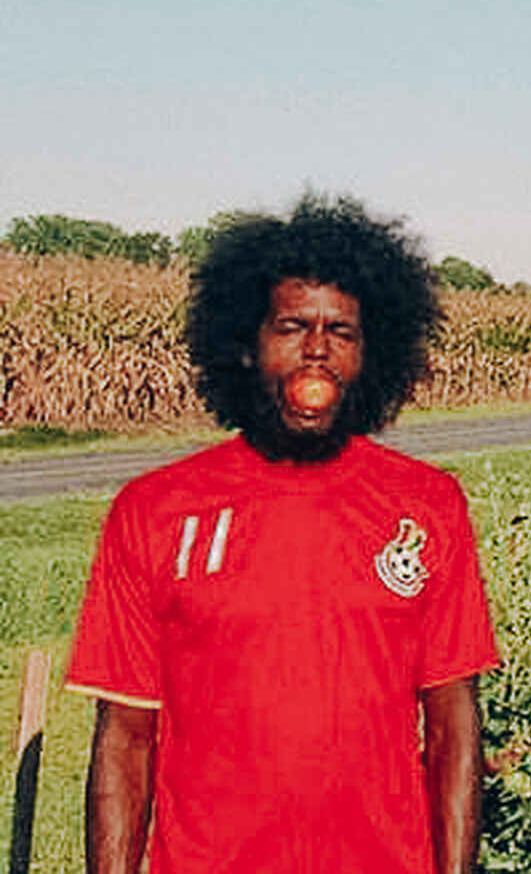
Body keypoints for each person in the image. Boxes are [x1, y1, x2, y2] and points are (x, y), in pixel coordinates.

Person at [66, 195, 499, 874]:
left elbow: (453, 727)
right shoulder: (153, 510)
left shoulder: (427, 505)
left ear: (372, 354)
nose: (317, 350)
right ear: (245, 344)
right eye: (292, 326)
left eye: (341, 331)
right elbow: (125, 737)